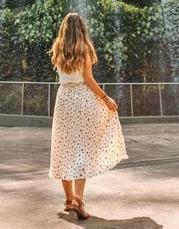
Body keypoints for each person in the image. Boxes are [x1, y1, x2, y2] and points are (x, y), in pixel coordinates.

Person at [48, 12, 128, 220]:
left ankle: (67, 200)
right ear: (82, 29)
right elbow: (89, 80)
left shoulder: (58, 48)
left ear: (64, 28)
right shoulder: (84, 49)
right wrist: (106, 98)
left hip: (64, 100)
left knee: (64, 147)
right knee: (82, 149)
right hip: (82, 99)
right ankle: (78, 200)